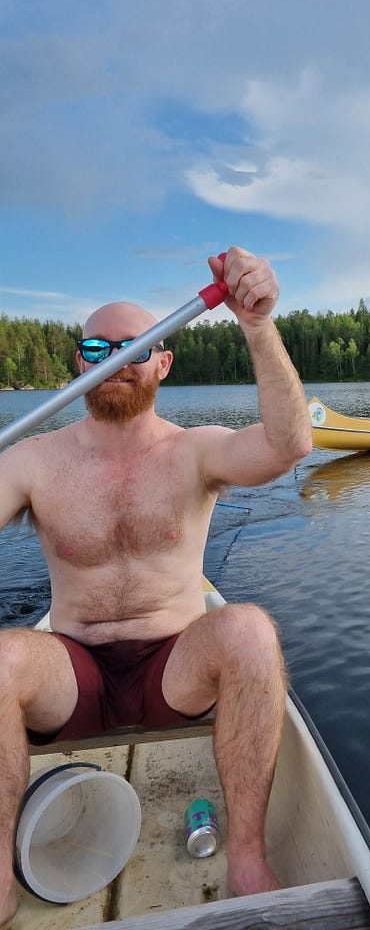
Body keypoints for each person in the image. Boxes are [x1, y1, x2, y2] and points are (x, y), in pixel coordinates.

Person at [0, 246, 313, 925]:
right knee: (3, 657)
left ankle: (248, 857)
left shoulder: (194, 450)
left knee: (251, 632)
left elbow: (289, 446)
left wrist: (257, 326)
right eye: (97, 345)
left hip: (174, 670)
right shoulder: (32, 460)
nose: (113, 357)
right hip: (72, 672)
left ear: (162, 363)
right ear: (79, 362)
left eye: (133, 347)